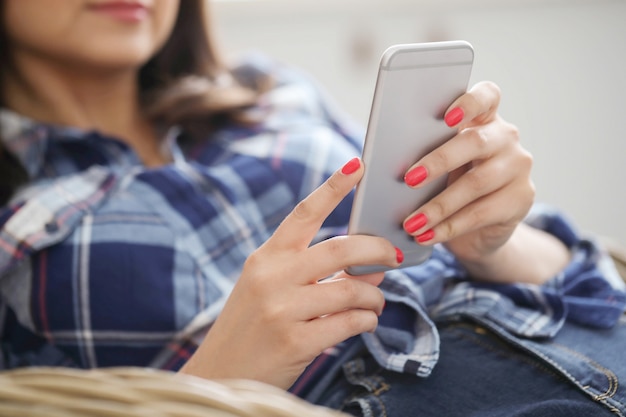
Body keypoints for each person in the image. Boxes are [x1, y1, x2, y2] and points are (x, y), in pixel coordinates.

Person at [0, 1, 624, 416]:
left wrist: (494, 245)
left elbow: (597, 286)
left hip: (567, 330)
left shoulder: (268, 90)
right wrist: (215, 381)